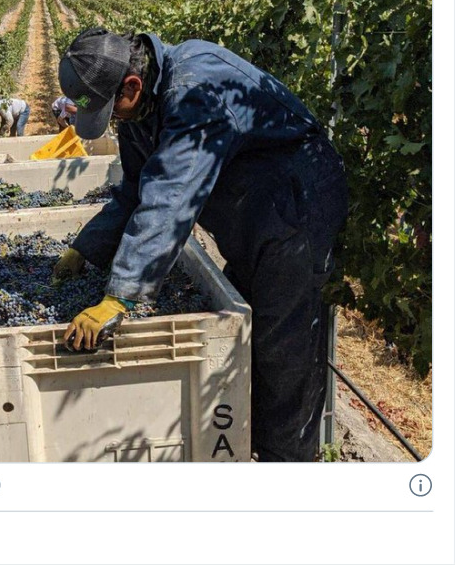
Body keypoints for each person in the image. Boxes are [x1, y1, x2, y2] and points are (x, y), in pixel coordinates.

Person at [53, 27, 348, 463]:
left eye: (112, 110)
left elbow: (171, 194)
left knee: (284, 354)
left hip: (297, 207)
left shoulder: (194, 88)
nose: (114, 122)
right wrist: (87, 247)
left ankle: (290, 473)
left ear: (131, 85)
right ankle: (251, 445)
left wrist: (121, 295)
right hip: (252, 211)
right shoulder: (142, 102)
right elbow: (137, 187)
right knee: (247, 334)